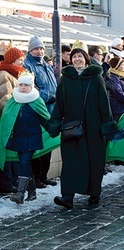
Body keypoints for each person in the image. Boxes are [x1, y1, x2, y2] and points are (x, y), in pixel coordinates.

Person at [47, 41, 118, 209]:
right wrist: (55, 122)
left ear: (86, 59)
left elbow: (104, 103)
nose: (77, 59)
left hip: (93, 128)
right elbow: (60, 104)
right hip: (72, 127)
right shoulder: (65, 79)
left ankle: (94, 194)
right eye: (74, 56)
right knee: (71, 161)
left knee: (94, 161)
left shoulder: (96, 78)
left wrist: (107, 125)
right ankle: (67, 197)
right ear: (70, 60)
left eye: (80, 56)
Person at [0, 71, 50, 204]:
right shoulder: (13, 101)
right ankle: (32, 192)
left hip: (32, 138)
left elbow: (45, 119)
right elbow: (7, 120)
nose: (23, 87)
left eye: (26, 85)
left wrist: (55, 130)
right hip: (18, 139)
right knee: (25, 165)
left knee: (24, 163)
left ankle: (20, 193)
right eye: (20, 84)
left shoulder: (37, 101)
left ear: (31, 86)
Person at [24, 35, 58, 189]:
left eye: (41, 48)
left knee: (47, 145)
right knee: (38, 146)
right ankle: (36, 177)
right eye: (36, 48)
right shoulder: (28, 65)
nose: (39, 51)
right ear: (30, 50)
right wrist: (50, 96)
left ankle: (44, 176)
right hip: (37, 111)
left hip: (50, 111)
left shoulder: (46, 65)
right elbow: (31, 89)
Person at [0, 46, 26, 193]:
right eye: (19, 60)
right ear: (11, 60)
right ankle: (7, 182)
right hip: (8, 120)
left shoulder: (17, 74)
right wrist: (15, 112)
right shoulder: (4, 74)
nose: (22, 62)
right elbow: (5, 99)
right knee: (8, 152)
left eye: (22, 59)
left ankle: (13, 180)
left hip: (16, 119)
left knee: (14, 151)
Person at [107, 56, 124, 122]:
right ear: (117, 66)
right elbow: (118, 92)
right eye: (122, 65)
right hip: (119, 111)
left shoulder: (121, 76)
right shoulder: (113, 77)